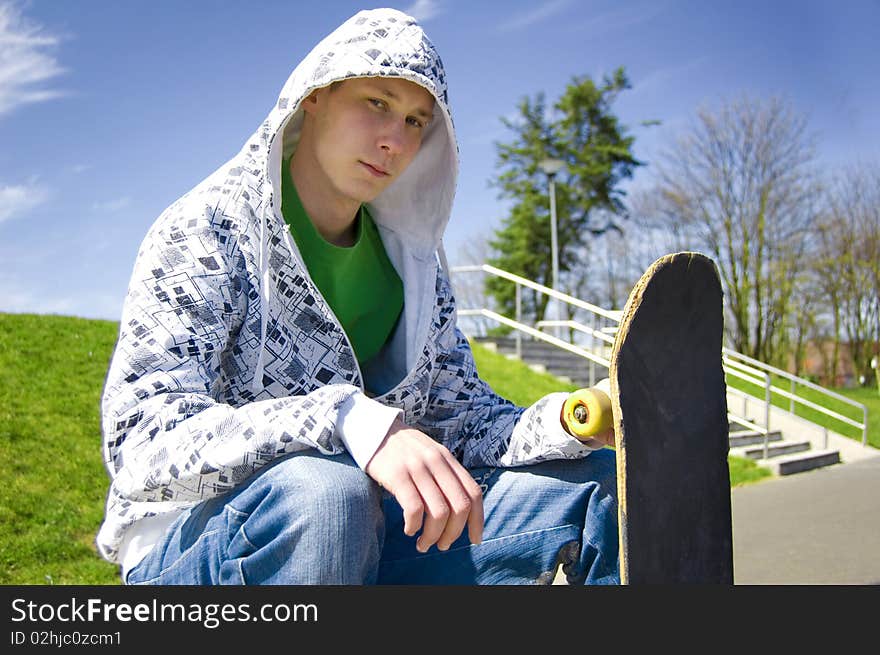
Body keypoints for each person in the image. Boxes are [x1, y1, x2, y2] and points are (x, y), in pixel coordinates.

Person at [97, 7, 619, 585]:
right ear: (314, 95)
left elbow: (461, 419)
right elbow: (142, 446)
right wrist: (348, 419)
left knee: (599, 485)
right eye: (378, 103)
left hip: (372, 532)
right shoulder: (204, 231)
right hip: (196, 546)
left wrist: (574, 421)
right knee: (325, 495)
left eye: (417, 122)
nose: (395, 141)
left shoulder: (412, 264)